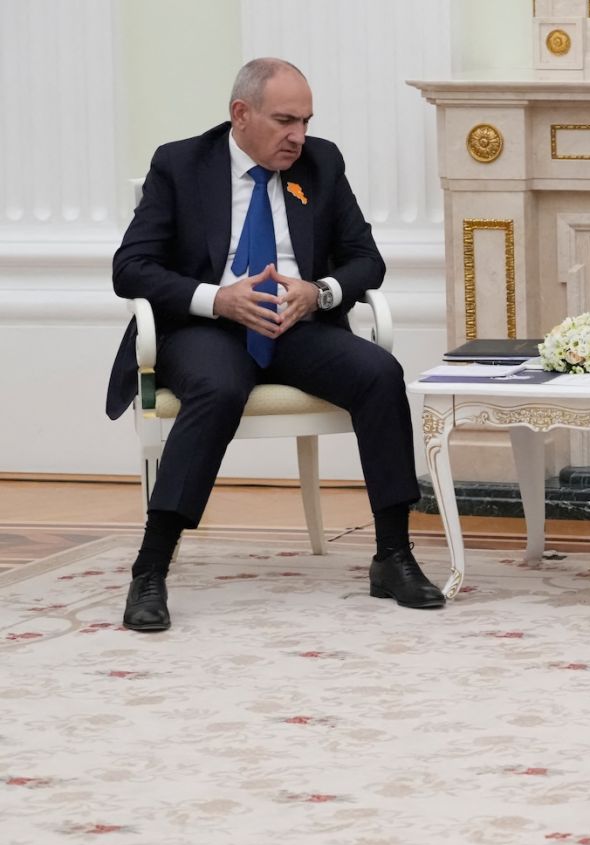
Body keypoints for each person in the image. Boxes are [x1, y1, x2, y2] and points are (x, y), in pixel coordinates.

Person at [107, 58, 442, 634]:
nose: (299, 136)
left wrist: (320, 292)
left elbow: (367, 259)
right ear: (241, 114)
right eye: (286, 121)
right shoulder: (181, 164)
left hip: (298, 325)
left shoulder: (321, 163)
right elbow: (130, 269)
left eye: (306, 121)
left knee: (379, 373)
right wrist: (218, 298)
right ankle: (151, 568)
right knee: (218, 386)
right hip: (208, 327)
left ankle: (392, 555)